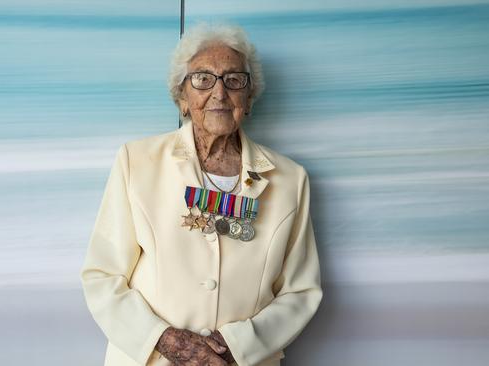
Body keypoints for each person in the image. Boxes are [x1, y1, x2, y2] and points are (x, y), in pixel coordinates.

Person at [80, 23, 323, 366]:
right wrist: (166, 340)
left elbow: (300, 292)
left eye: (234, 80)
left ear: (249, 98)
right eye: (203, 79)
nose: (219, 93)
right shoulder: (137, 162)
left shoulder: (290, 180)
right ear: (182, 97)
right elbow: (102, 276)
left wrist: (236, 345)